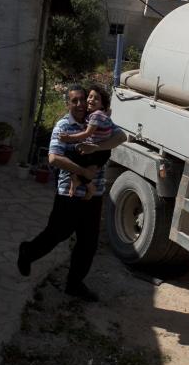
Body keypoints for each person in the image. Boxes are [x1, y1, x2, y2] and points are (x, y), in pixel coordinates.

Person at [17, 84, 127, 302]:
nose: (79, 104)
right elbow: (54, 158)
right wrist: (83, 171)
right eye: (74, 100)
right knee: (57, 234)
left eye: (82, 99)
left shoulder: (96, 120)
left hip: (94, 195)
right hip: (69, 193)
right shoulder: (63, 126)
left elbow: (120, 136)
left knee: (88, 242)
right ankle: (27, 252)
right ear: (68, 103)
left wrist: (97, 148)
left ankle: (74, 284)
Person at [58, 85, 113, 199]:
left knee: (76, 160)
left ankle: (89, 186)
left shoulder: (97, 116)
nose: (91, 100)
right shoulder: (94, 115)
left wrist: (69, 138)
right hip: (97, 151)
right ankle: (78, 182)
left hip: (98, 152)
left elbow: (87, 133)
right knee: (74, 160)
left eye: (96, 98)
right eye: (90, 96)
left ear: (102, 104)